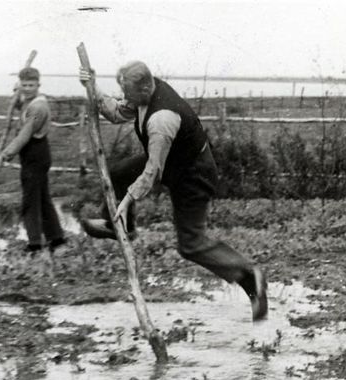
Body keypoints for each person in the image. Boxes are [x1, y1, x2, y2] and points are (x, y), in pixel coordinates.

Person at [79, 61, 268, 320]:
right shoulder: (143, 91)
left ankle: (248, 274)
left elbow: (153, 171)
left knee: (191, 244)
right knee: (118, 174)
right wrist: (93, 86)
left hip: (193, 175)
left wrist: (127, 200)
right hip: (174, 164)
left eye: (129, 94)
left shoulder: (161, 119)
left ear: (146, 87)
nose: (126, 99)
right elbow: (117, 112)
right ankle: (122, 227)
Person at [0, 67, 66, 253]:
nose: (27, 88)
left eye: (31, 85)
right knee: (42, 199)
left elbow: (24, 135)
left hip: (35, 154)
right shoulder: (31, 101)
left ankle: (34, 244)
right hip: (35, 154)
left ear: (38, 85)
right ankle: (57, 239)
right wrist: (16, 97)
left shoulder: (38, 107)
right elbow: (22, 105)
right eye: (24, 85)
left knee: (30, 201)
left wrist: (5, 154)